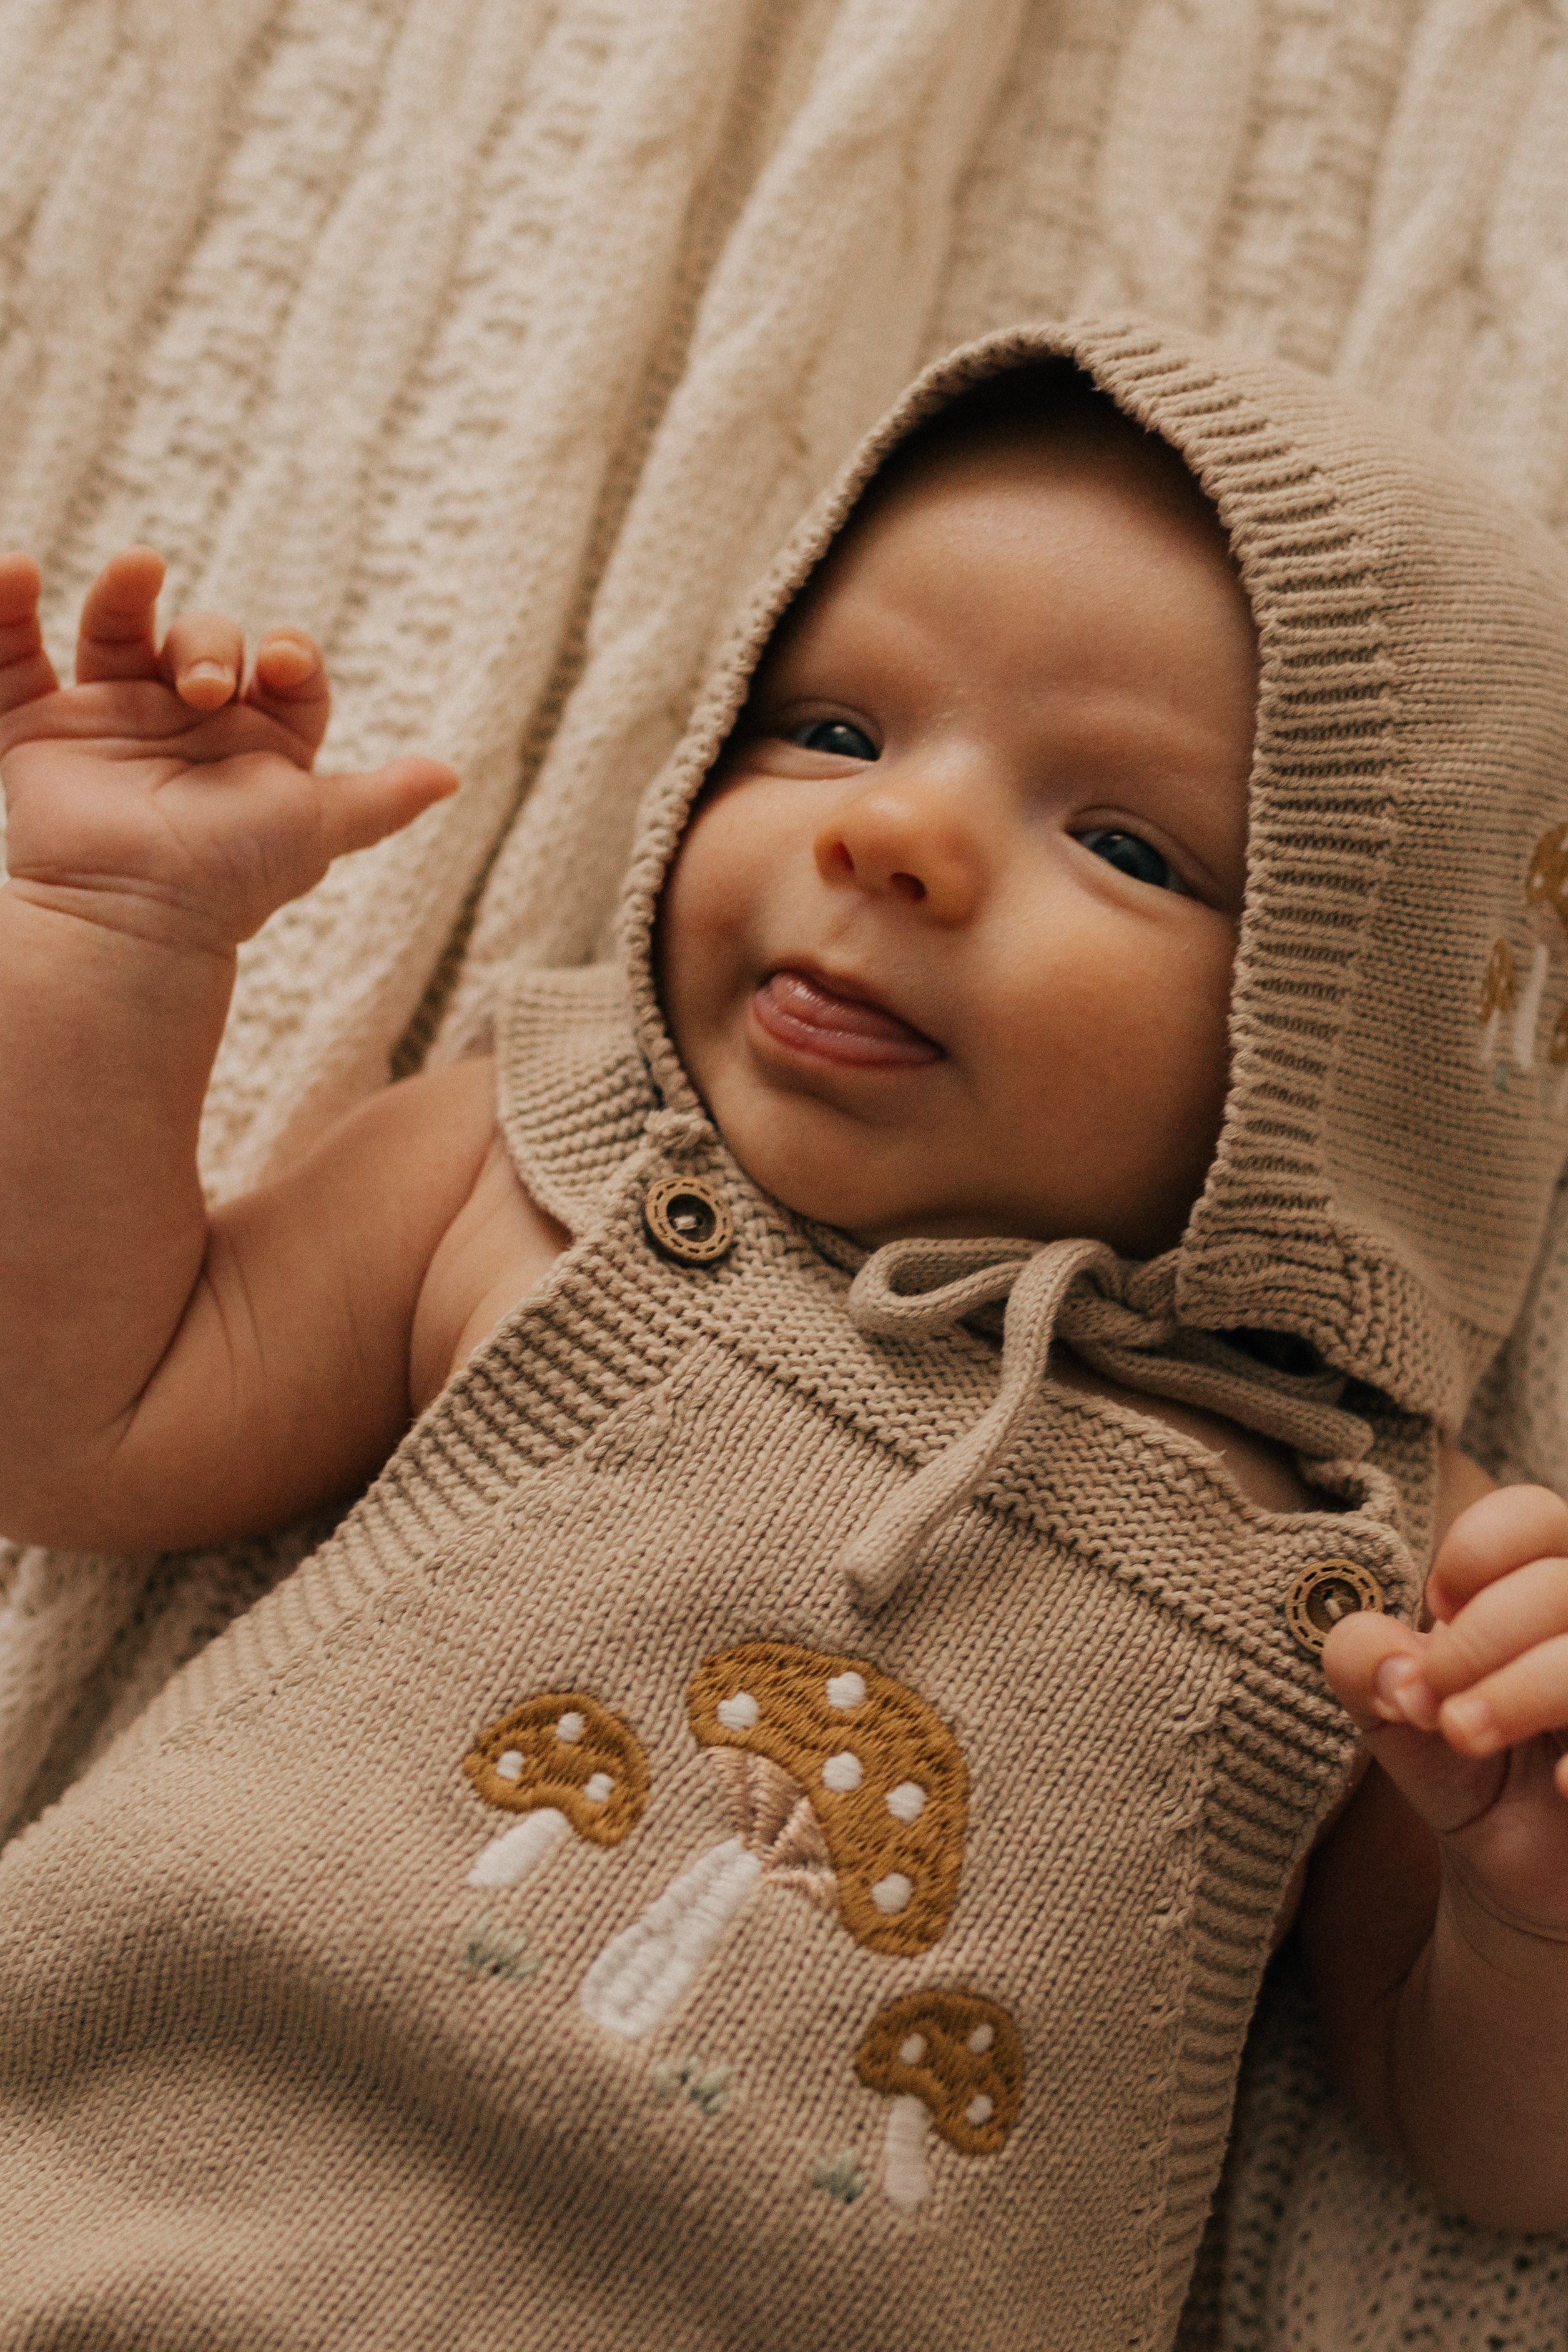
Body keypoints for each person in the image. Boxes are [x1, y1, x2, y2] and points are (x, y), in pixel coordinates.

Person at [2, 320, 1567, 2350]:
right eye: (832, 731)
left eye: (1124, 843)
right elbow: (76, 1419)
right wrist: (105, 947)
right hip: (106, 2218)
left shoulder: (1386, 1569)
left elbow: (1486, 2145)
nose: (887, 838)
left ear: (1360, 1057)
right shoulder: (556, 1167)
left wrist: (1528, 1904)